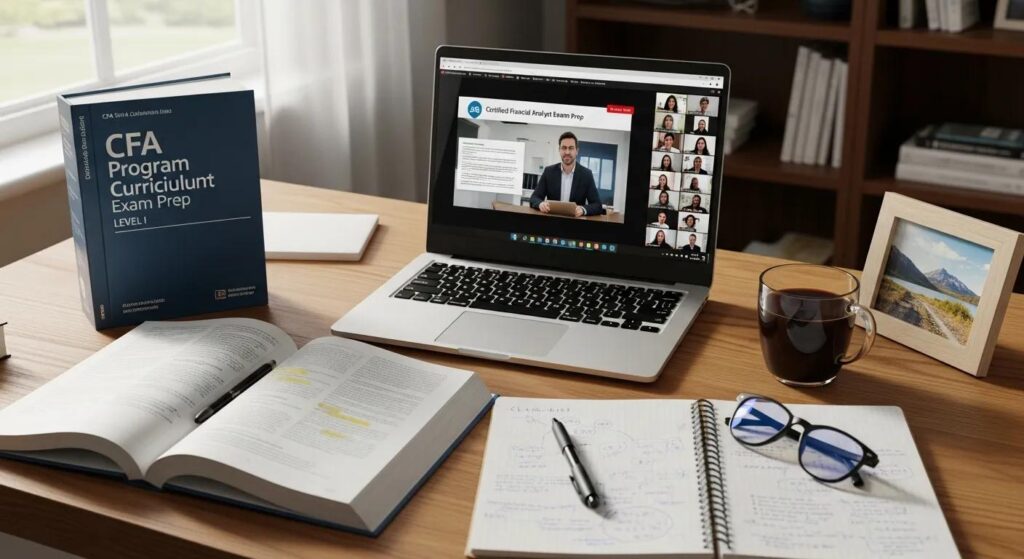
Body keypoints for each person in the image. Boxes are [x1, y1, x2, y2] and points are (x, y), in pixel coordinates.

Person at [529, 131, 604, 217]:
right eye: (564, 148)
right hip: (552, 222)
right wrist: (540, 204)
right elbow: (534, 198)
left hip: (574, 223)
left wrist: (583, 210)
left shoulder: (586, 174)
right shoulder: (548, 172)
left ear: (577, 151)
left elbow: (597, 205)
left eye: (571, 148)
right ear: (559, 150)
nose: (567, 152)